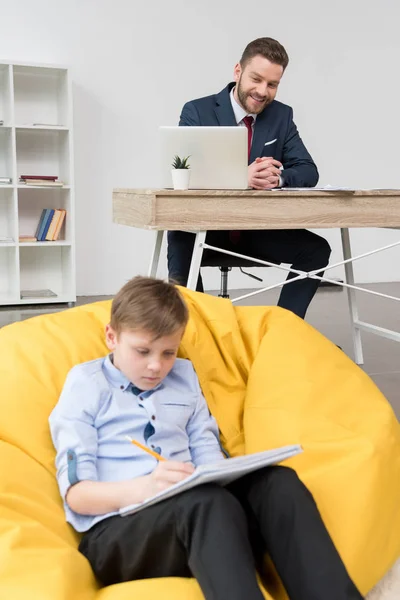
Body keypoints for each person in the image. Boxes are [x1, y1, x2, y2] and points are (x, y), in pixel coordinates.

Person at [49, 276, 363, 600]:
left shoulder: (184, 377)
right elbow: (77, 495)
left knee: (277, 482)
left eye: (168, 352)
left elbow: (204, 445)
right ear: (112, 337)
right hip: (118, 535)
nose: (156, 366)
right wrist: (147, 487)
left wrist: (221, 475)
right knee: (206, 504)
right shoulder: (86, 384)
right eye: (142, 351)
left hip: (204, 520)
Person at [167, 37, 331, 319]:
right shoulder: (197, 111)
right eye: (256, 79)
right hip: (206, 229)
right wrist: (240, 176)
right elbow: (184, 172)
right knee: (179, 238)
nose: (262, 91)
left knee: (316, 249)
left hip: (257, 229)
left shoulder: (281, 116)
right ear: (237, 72)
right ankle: (201, 333)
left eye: (272, 84)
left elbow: (308, 170)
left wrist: (277, 178)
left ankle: (282, 332)